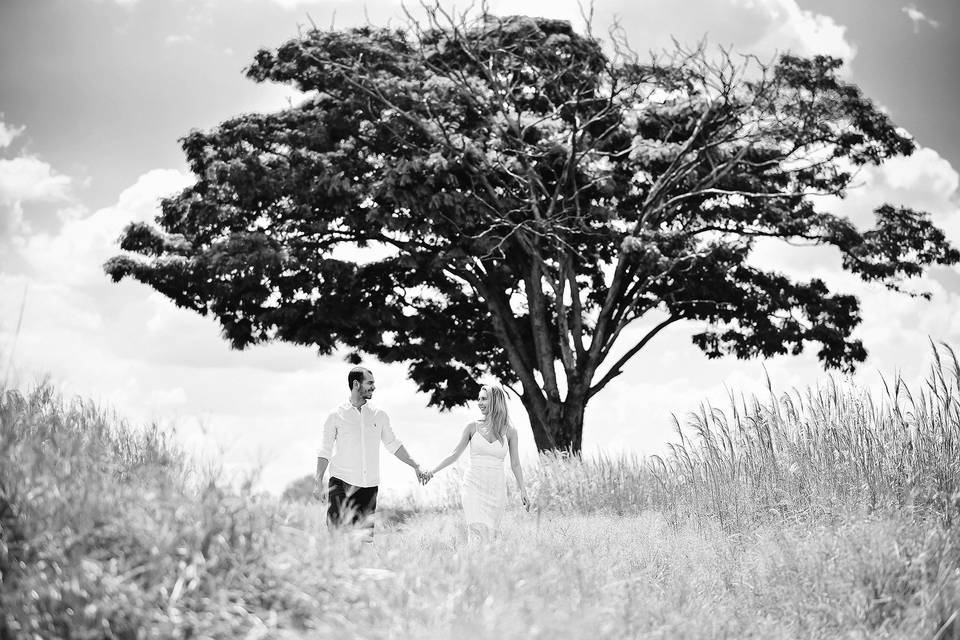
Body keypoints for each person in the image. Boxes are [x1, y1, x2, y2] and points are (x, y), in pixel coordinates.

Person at [314, 366, 426, 538]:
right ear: (356, 384)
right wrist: (318, 482)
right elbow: (325, 450)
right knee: (336, 537)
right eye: (370, 383)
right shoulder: (335, 415)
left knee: (363, 542)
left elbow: (393, 444)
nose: (374, 387)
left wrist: (416, 465)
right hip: (341, 484)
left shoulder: (379, 415)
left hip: (368, 487)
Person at [423, 384, 529, 539]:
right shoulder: (472, 427)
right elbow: (454, 455)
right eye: (479, 399)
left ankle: (485, 563)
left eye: (484, 399)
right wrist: (431, 471)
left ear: (495, 401)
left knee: (491, 536)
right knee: (476, 532)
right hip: (473, 486)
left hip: (496, 489)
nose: (479, 403)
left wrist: (523, 490)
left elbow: (515, 464)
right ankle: (472, 560)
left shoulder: (511, 432)